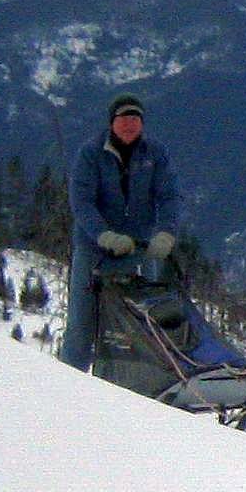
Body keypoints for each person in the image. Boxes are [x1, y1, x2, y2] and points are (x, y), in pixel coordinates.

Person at [60, 91, 182, 371]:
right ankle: (67, 385)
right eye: (124, 118)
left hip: (139, 250)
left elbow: (170, 195)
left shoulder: (156, 153)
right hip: (94, 252)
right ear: (112, 122)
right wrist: (104, 235)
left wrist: (166, 233)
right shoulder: (91, 154)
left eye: (135, 118)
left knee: (144, 325)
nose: (130, 124)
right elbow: (82, 203)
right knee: (81, 326)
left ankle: (140, 388)